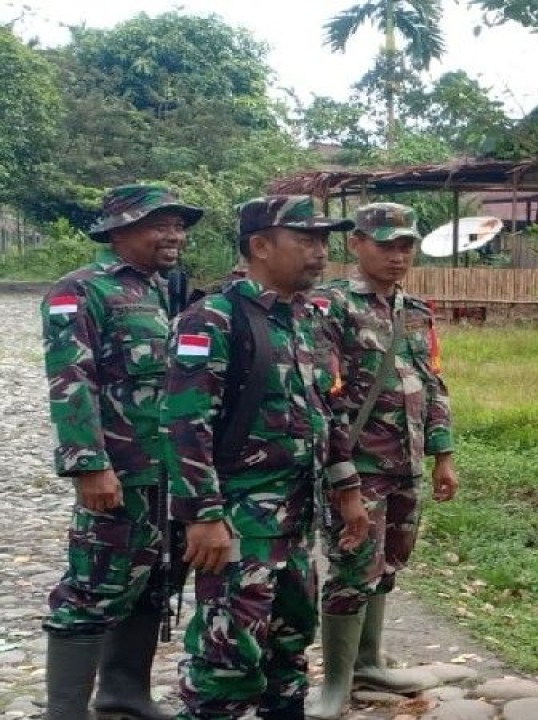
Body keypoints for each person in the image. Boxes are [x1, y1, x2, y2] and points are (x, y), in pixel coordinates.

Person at [162, 195, 370, 720]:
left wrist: (347, 492)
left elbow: (331, 410)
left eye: (324, 240)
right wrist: (203, 517)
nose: (320, 252)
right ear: (259, 246)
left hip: (297, 520)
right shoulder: (212, 319)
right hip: (238, 522)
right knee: (227, 661)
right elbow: (186, 426)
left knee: (288, 649)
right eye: (305, 239)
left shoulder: (311, 318)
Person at [40, 184, 204, 720]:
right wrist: (89, 465)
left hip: (167, 470)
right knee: (92, 585)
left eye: (179, 225)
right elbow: (72, 381)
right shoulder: (81, 291)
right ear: (119, 229)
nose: (174, 235)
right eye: (161, 224)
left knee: (155, 578)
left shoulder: (161, 290)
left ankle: (124, 693)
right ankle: (65, 711)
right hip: (119, 472)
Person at [305, 202, 457, 720]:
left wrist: (443, 455)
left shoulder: (416, 311)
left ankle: (368, 662)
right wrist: (340, 475)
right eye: (386, 244)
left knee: (388, 563)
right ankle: (336, 683)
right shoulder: (331, 306)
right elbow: (323, 395)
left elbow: (433, 385)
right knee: (351, 569)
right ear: (358, 244)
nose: (398, 255)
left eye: (406, 245)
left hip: (406, 463)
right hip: (358, 466)